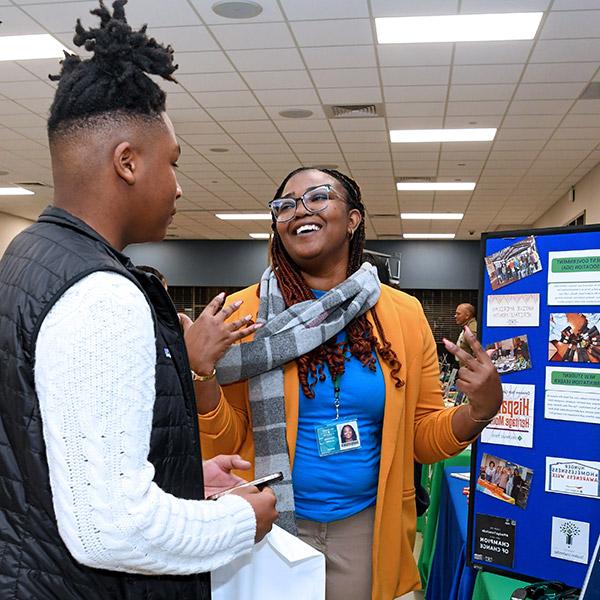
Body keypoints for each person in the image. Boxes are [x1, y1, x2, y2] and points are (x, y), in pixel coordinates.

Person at [0, 2, 277, 598]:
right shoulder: (101, 294)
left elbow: (50, 456)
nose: (178, 186)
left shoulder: (31, 254)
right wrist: (238, 522)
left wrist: (177, 480)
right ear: (127, 161)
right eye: (172, 163)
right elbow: (112, 529)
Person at [193, 166, 502, 600]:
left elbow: (422, 437)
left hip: (363, 528)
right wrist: (201, 373)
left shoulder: (403, 315)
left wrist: (478, 412)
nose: (300, 210)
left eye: (318, 197)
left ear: (353, 219)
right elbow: (226, 444)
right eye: (285, 205)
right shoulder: (244, 314)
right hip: (264, 522)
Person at [454, 303, 478, 367]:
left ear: (467, 316)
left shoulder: (471, 330)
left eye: (458, 314)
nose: (455, 316)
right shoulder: (467, 328)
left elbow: (477, 354)